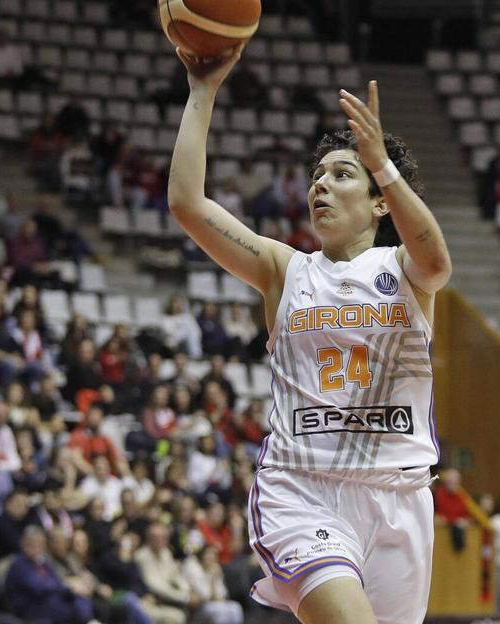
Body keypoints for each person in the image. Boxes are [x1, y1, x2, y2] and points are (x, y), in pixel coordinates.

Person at [168, 47, 452, 624]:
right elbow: (188, 205)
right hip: (302, 490)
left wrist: (383, 163)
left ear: (379, 201)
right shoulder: (284, 269)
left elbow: (438, 260)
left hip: (400, 499)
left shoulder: (404, 271)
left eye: (342, 174)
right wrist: (201, 90)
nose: (319, 185)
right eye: (316, 176)